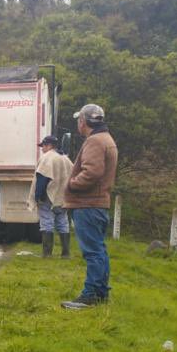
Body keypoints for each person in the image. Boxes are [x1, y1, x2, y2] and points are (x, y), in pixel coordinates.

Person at [61, 104, 118, 310]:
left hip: (88, 204)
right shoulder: (107, 139)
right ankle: (100, 292)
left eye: (79, 120)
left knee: (92, 252)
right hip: (98, 204)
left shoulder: (94, 141)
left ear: (83, 121)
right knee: (99, 250)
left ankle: (90, 295)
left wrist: (71, 184)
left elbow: (92, 172)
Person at [28, 135, 74, 258]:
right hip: (63, 196)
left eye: (43, 146)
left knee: (47, 222)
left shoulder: (47, 158)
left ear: (48, 145)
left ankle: (47, 254)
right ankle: (65, 253)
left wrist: (37, 196)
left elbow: (42, 178)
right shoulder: (66, 159)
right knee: (63, 222)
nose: (42, 149)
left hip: (49, 195)